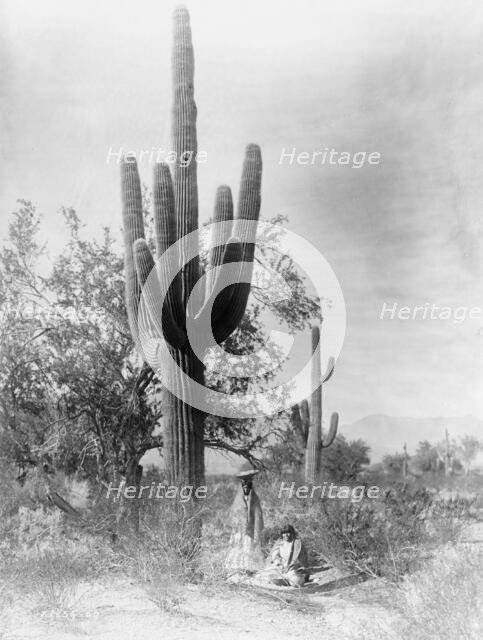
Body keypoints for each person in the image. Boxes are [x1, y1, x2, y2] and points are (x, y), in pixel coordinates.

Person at [225, 463, 264, 575]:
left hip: (250, 529)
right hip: (240, 529)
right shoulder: (239, 497)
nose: (246, 484)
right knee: (239, 545)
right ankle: (237, 569)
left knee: (248, 546)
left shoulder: (254, 496)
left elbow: (257, 513)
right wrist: (240, 524)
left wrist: (255, 526)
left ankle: (249, 569)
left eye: (248, 482)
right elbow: (236, 513)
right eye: (244, 482)